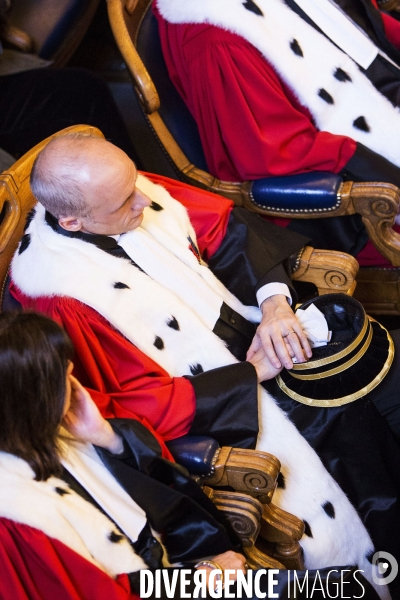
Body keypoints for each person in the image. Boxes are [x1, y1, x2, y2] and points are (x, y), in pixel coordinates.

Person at [9, 134, 400, 597]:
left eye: (135, 182)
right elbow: (128, 404)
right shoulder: (60, 300)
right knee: (343, 422)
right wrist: (247, 377)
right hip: (222, 405)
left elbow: (229, 232)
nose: (143, 198)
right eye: (123, 202)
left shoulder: (125, 190)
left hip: (260, 336)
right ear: (73, 222)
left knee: (371, 376)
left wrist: (275, 306)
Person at [0, 311, 381, 600]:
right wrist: (203, 580)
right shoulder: (18, 519)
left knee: (349, 586)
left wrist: (108, 439)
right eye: (65, 379)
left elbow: (167, 502)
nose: (77, 386)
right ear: (34, 401)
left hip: (179, 572)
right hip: (178, 585)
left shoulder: (53, 428)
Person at [153, 0, 400, 260]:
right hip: (331, 208)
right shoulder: (215, 37)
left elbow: (360, 32)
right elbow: (273, 153)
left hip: (367, 118)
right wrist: (383, 170)